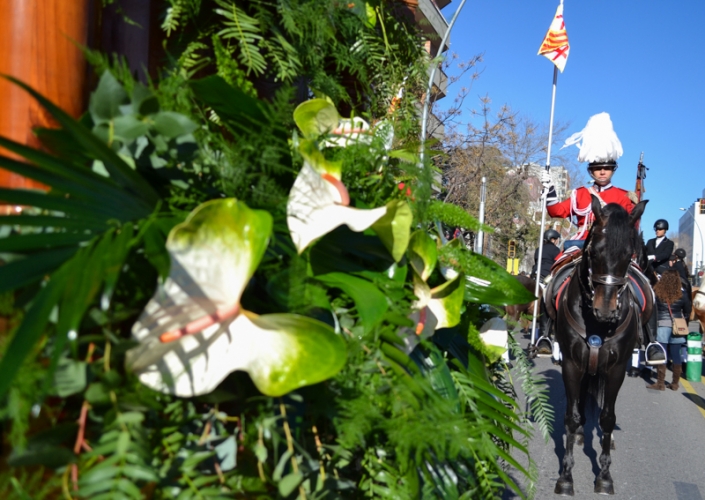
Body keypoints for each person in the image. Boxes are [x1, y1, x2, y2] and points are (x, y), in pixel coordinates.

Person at [541, 113, 635, 252]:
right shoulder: (579, 194)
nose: (602, 172)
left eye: (607, 168)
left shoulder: (624, 197)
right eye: (597, 168)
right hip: (582, 245)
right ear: (591, 170)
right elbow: (557, 212)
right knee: (559, 269)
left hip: (613, 248)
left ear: (613, 170)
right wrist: (549, 190)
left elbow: (632, 227)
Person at [647, 270, 692, 391]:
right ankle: (675, 384)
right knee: (676, 354)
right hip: (678, 327)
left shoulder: (657, 292)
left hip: (662, 325)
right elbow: (688, 310)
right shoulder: (682, 294)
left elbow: (652, 309)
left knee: (662, 355)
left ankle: (660, 383)